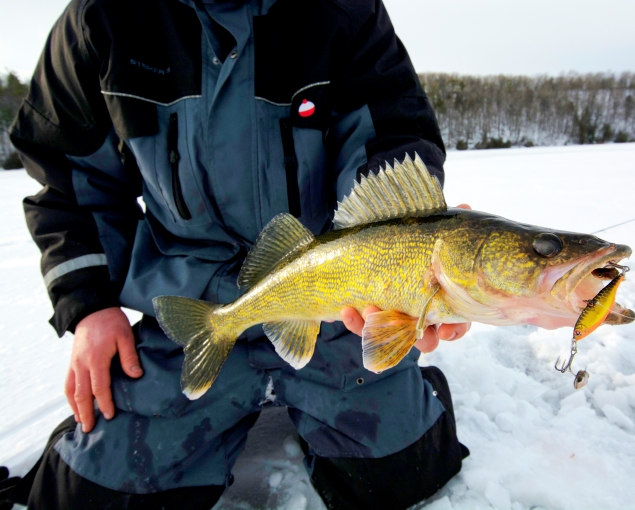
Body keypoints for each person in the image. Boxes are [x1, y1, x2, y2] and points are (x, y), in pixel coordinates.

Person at [6, 0, 471, 508]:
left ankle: (402, 388)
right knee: (92, 493)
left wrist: (407, 246)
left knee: (406, 469)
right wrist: (90, 305)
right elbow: (67, 179)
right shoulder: (102, 18)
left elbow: (391, 134)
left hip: (335, 304)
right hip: (185, 292)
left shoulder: (344, 9)